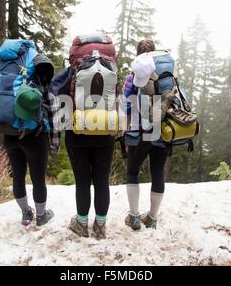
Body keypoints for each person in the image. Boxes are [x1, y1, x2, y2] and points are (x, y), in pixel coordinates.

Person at [59, 34, 117, 240]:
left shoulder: (72, 71)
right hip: (105, 130)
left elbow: (58, 96)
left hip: (77, 132)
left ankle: (82, 223)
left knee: (82, 181)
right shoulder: (111, 69)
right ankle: (100, 226)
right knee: (102, 180)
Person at [3, 54, 56, 227]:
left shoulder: (8, 75)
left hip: (10, 133)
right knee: (38, 178)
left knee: (18, 175)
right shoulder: (40, 77)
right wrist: (55, 142)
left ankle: (26, 214)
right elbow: (51, 111)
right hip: (35, 135)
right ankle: (41, 216)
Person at [123, 40, 169, 231]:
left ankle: (134, 217)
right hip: (160, 131)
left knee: (133, 171)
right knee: (157, 172)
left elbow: (126, 104)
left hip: (138, 132)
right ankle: (152, 217)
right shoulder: (166, 77)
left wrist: (124, 131)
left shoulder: (132, 77)